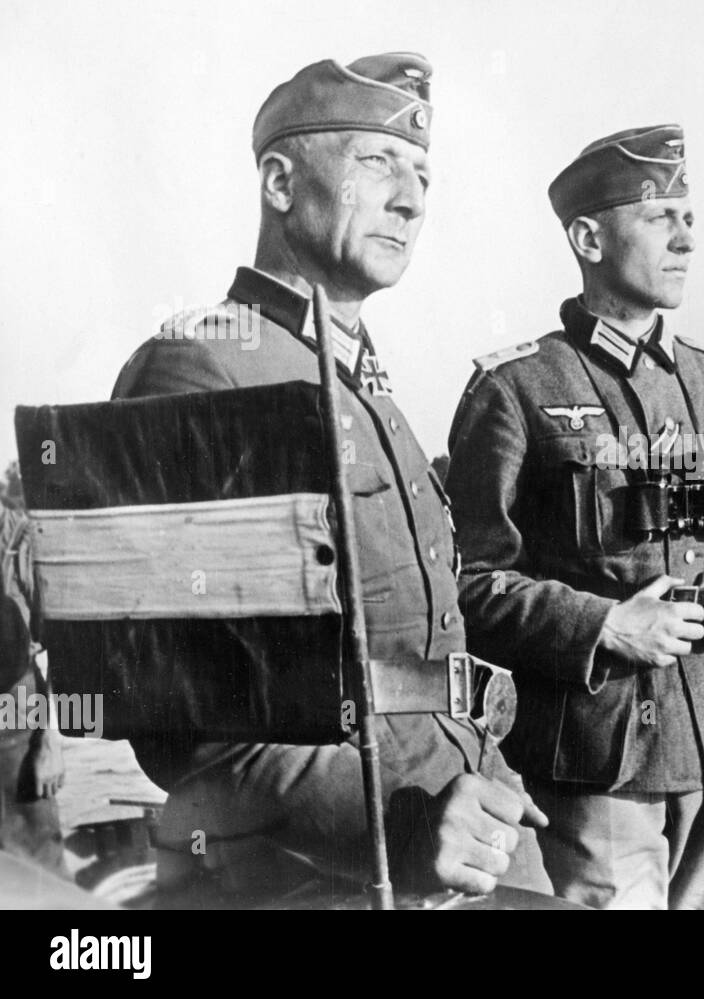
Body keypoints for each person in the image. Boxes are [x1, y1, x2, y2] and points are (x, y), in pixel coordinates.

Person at [109, 53, 549, 899]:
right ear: (280, 181)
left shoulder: (358, 378)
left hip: (472, 832)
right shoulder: (202, 368)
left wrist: (481, 776)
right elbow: (184, 729)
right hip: (335, 872)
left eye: (422, 173)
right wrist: (397, 822)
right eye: (378, 162)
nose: (413, 199)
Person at [445, 124, 704, 909]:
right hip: (604, 755)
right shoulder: (515, 389)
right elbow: (468, 587)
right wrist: (603, 626)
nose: (686, 237)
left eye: (690, 217)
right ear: (588, 236)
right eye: (660, 217)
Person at [0, 505, 67, 878]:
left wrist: (51, 739)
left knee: (37, 874)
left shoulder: (26, 541)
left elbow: (64, 644)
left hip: (15, 724)